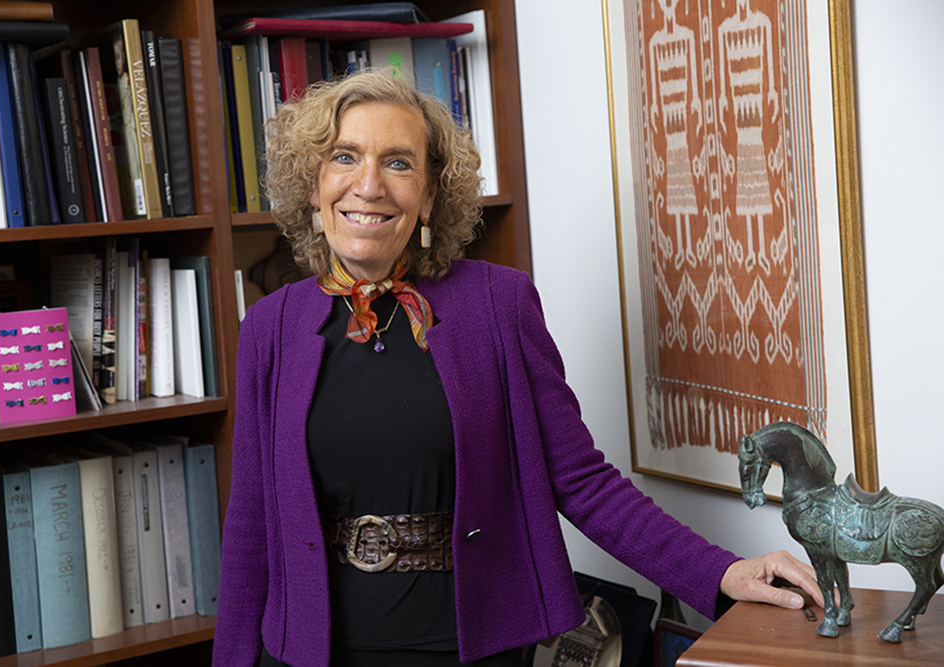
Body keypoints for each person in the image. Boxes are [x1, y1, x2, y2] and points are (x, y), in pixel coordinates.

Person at [212, 71, 822, 667]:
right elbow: (251, 526)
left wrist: (720, 571)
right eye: (345, 157)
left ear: (428, 197)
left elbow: (582, 481)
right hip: (311, 650)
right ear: (314, 185)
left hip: (467, 647)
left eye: (398, 162)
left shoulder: (496, 304)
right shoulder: (272, 327)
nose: (368, 185)